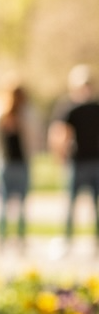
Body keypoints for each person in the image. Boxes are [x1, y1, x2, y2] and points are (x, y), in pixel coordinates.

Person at [49, 65, 99, 243]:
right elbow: (59, 134)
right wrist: (60, 155)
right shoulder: (69, 108)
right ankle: (67, 239)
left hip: (95, 161)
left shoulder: (95, 107)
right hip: (77, 161)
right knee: (71, 203)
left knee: (95, 204)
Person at [0, 82, 32, 245]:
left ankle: (5, 238)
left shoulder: (0, 113)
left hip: (8, 163)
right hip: (16, 163)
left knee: (5, 204)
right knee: (17, 204)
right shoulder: (21, 115)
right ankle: (16, 237)